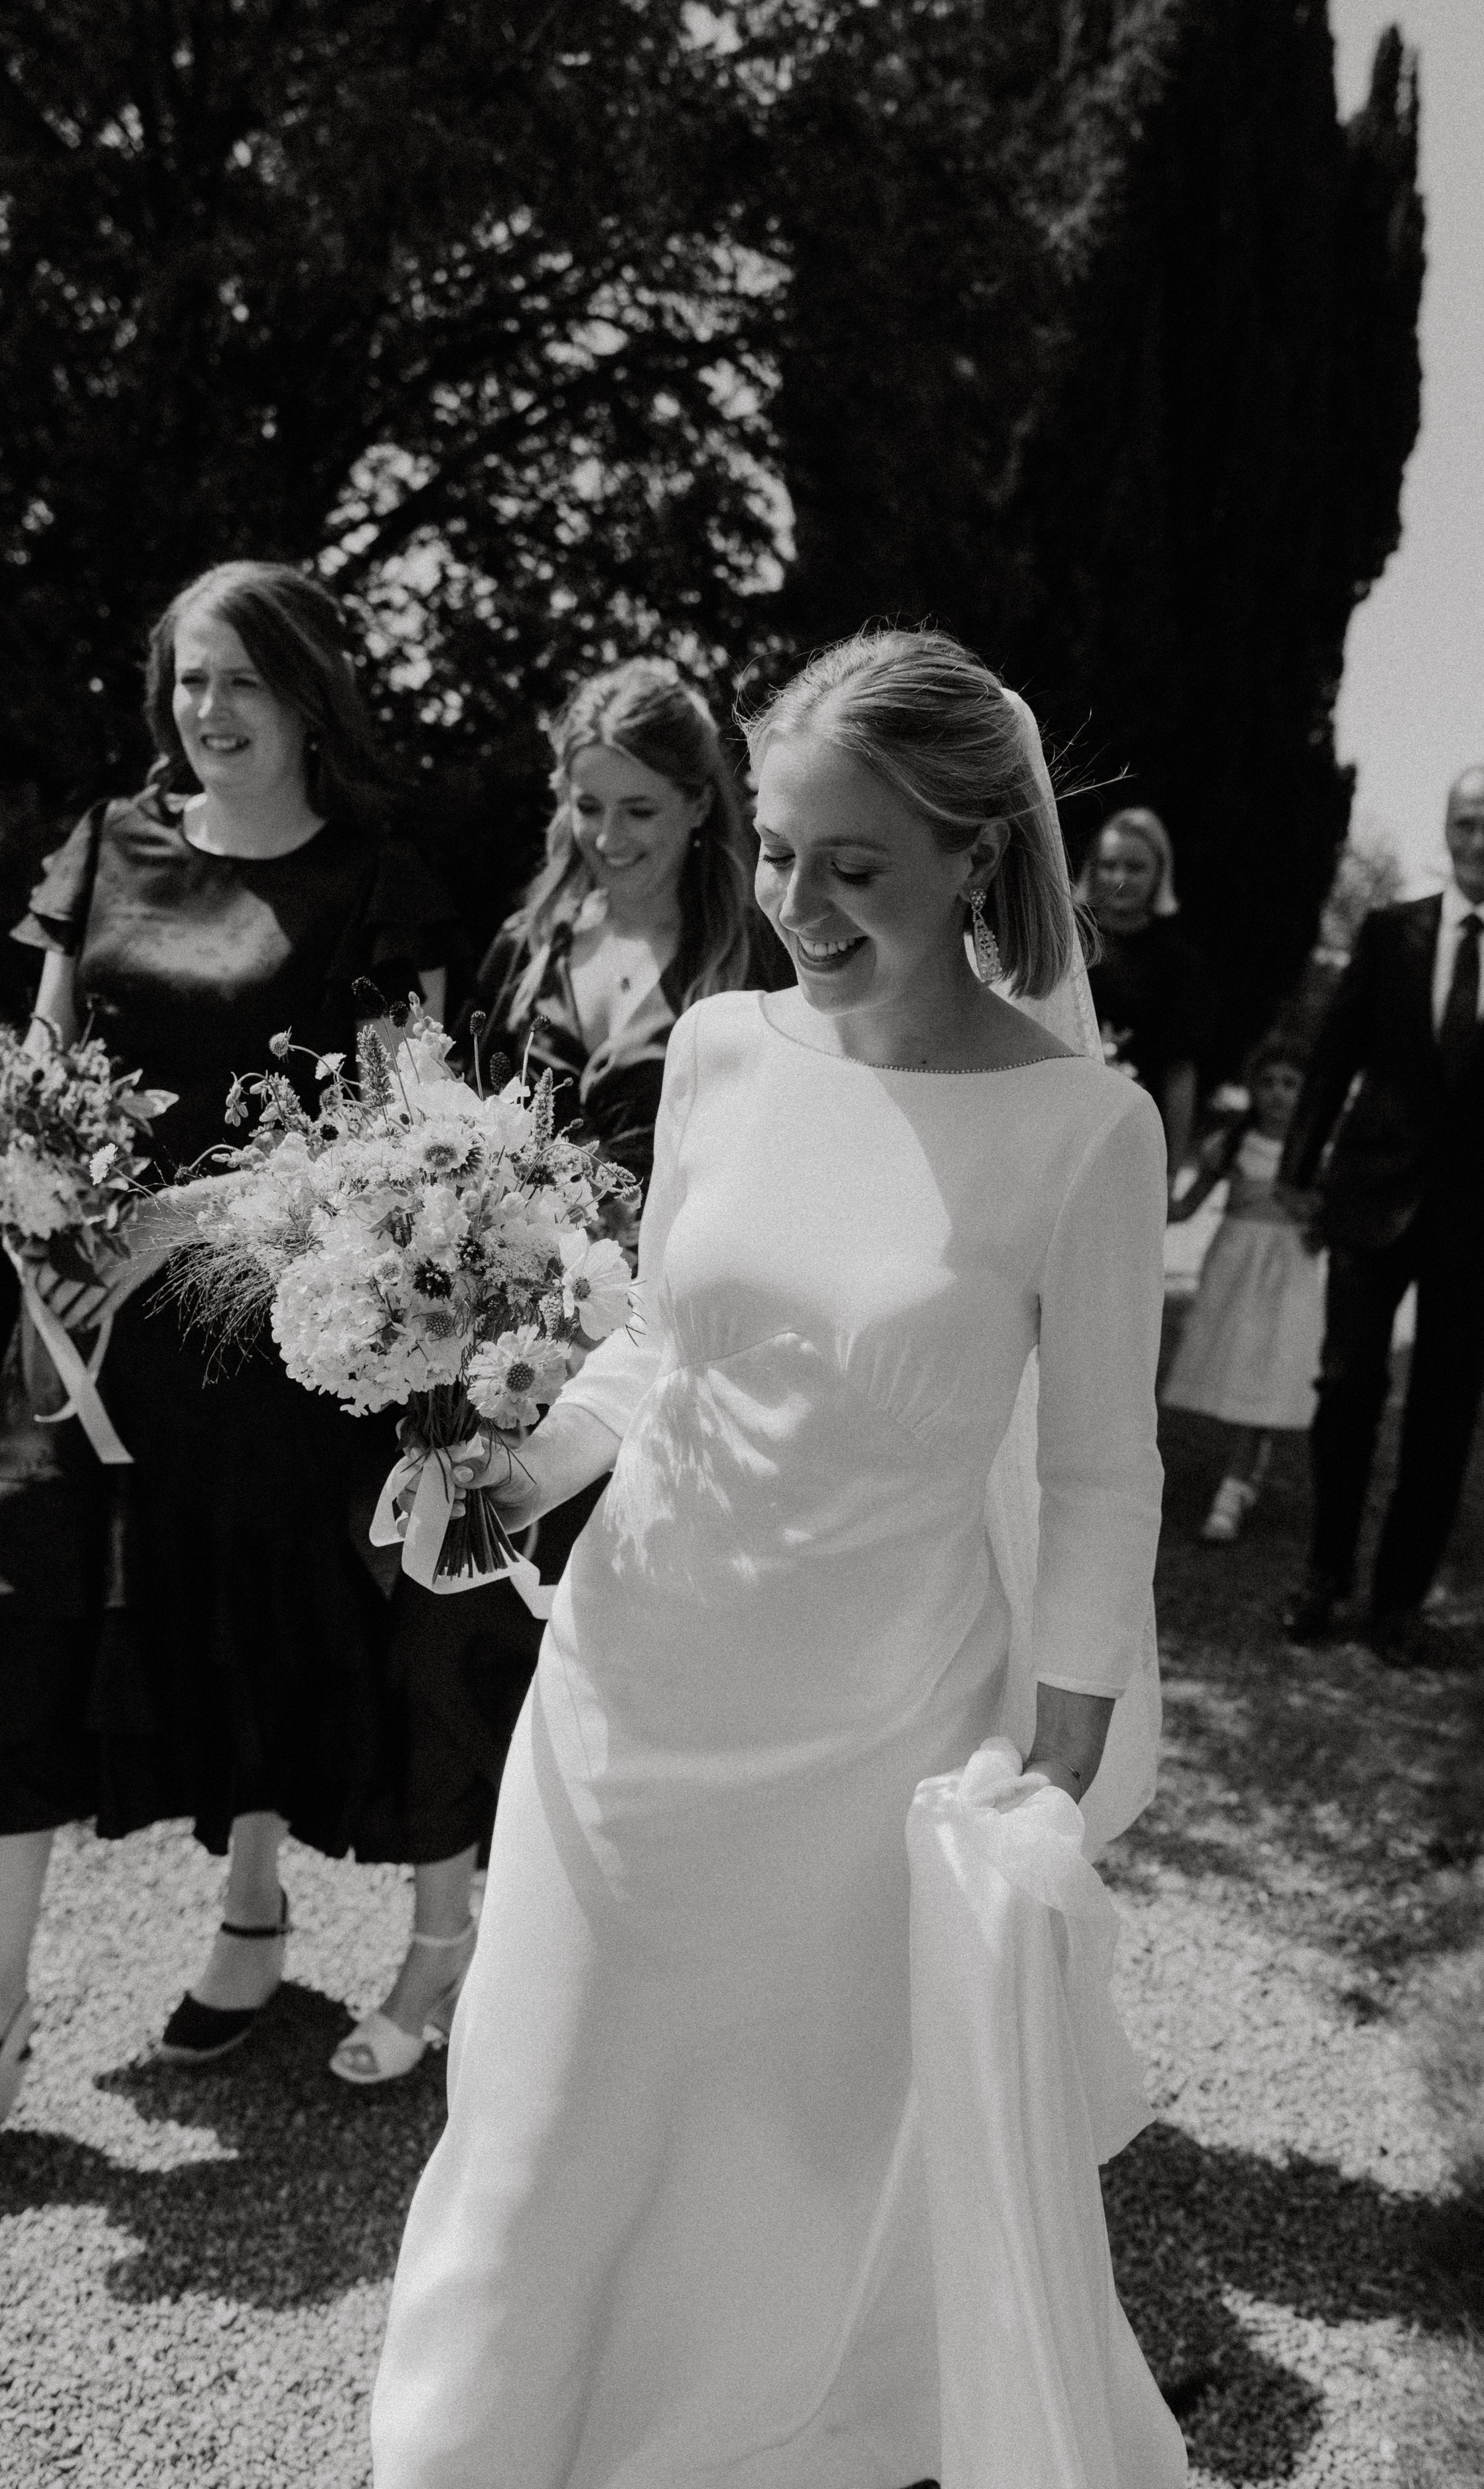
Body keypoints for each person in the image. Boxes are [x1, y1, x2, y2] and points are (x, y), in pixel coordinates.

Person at [369, 629, 1183, 2487]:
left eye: (855, 863)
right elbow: (654, 1350)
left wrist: (1054, 1754)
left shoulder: (1083, 1131)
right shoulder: (725, 1051)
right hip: (623, 1691)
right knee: (538, 2119)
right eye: (785, 852)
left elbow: (1099, 1471)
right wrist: (518, 1472)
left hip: (861, 1746)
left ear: (977, 855)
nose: (799, 904)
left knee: (775, 2168)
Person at [0, 560, 458, 2116]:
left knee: (250, 1599)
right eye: (189, 677)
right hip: (71, 1318)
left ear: (310, 694)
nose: (208, 709)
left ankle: (251, 1905)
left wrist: (160, 1236)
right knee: (62, 1616)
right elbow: (42, 1064)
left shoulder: (370, 879)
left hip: (251, 1321)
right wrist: (47, 1222)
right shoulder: (110, 843)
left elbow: (370, 1135)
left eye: (242, 680)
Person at [332, 658, 771, 2085]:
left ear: (703, 807)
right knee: (440, 1634)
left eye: (638, 807)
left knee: (602, 1673)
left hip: (664, 1369)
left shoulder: (750, 960)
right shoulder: (532, 938)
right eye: (583, 804)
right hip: (499, 1355)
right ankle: (438, 1940)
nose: (606, 834)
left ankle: (584, 1979)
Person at [1279, 765, 1484, 1655]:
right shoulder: (1392, 933)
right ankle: (1324, 1576)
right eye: (1465, 823)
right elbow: (1335, 1053)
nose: (1479, 842)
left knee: (1443, 1411)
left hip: (1482, 1213)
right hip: (1370, 1193)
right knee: (1345, 1388)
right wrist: (1301, 1163)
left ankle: (1397, 1602)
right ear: (1447, 829)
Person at [1163, 1033, 1324, 1541]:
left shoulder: (1318, 1152)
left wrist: (1306, 1211)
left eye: (1290, 1084)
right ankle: (1244, 1470)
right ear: (1252, 1089)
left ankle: (1233, 1489)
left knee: (1267, 1370)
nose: (1278, 1094)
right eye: (1268, 1083)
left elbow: (1328, 1226)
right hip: (1235, 1267)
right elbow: (1184, 1209)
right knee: (1233, 1364)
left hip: (1288, 1271)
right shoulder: (1231, 1145)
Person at [1075, 805, 1214, 1184]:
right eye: (1108, 864)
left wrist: (1170, 1171)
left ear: (1159, 873)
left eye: (1135, 868)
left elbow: (1180, 1071)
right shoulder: (1061, 938)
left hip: (1126, 1137)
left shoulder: (1178, 961)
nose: (1119, 878)